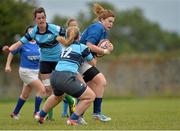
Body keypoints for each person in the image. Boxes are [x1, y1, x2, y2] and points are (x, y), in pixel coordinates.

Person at [3, 7, 67, 120]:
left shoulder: (54, 28)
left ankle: (41, 112)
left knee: (61, 89)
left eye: (43, 17)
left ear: (45, 18)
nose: (41, 20)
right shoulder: (34, 32)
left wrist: (74, 44)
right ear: (35, 19)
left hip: (58, 60)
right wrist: (10, 49)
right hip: (45, 62)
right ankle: (41, 114)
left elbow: (69, 35)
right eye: (39, 18)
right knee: (46, 90)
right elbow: (19, 43)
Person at [38, 26, 96, 125]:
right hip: (66, 77)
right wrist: (101, 52)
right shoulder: (83, 48)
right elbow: (93, 63)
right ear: (79, 36)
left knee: (57, 97)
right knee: (90, 96)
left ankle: (41, 115)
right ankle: (73, 119)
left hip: (55, 76)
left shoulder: (64, 47)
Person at [79, 3, 115, 122]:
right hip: (80, 59)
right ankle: (96, 113)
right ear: (102, 19)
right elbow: (89, 45)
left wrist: (107, 49)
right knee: (101, 81)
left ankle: (78, 116)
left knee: (91, 89)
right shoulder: (97, 28)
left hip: (85, 60)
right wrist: (105, 50)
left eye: (112, 22)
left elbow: (97, 51)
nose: (111, 24)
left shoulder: (103, 30)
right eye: (109, 21)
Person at [4, 25, 46, 120]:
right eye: (29, 32)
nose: (31, 34)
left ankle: (15, 113)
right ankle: (36, 113)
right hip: (25, 72)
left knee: (25, 95)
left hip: (35, 72)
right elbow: (11, 52)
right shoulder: (22, 43)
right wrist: (7, 65)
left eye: (33, 32)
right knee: (42, 90)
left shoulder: (39, 44)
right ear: (26, 34)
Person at [61, 18, 79, 118]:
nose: (74, 27)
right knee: (67, 91)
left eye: (75, 25)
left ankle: (76, 113)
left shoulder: (78, 37)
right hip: (66, 66)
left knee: (76, 91)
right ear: (68, 27)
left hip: (75, 65)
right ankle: (66, 113)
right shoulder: (65, 38)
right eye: (71, 25)